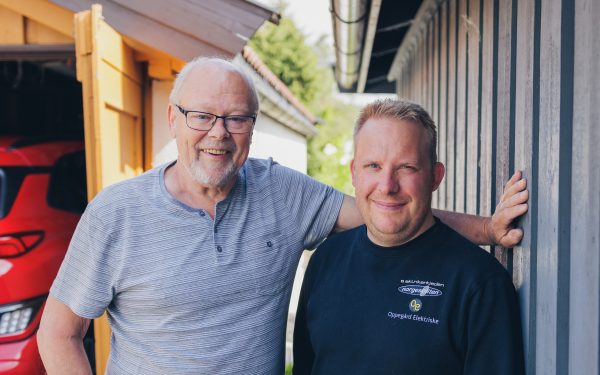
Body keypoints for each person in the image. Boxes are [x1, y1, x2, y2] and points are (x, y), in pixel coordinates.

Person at [37, 58, 527, 375]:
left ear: (252, 128)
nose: (219, 133)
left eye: (236, 119)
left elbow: (387, 209)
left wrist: (486, 230)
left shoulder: (282, 193)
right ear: (173, 119)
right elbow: (58, 334)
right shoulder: (116, 214)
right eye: (202, 116)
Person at [293, 99, 525, 375]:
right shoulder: (325, 261)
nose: (387, 186)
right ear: (354, 172)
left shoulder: (479, 283)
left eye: (406, 167)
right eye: (373, 166)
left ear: (435, 177)